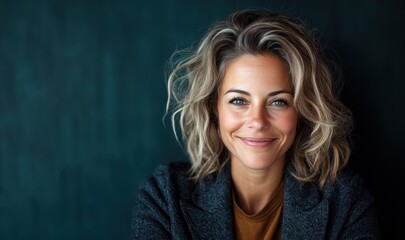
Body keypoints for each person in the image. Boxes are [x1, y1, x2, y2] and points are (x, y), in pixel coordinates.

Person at [132, 9, 380, 239]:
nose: (258, 121)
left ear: (303, 111)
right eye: (239, 100)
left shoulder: (346, 201)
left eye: (279, 102)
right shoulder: (164, 197)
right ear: (213, 108)